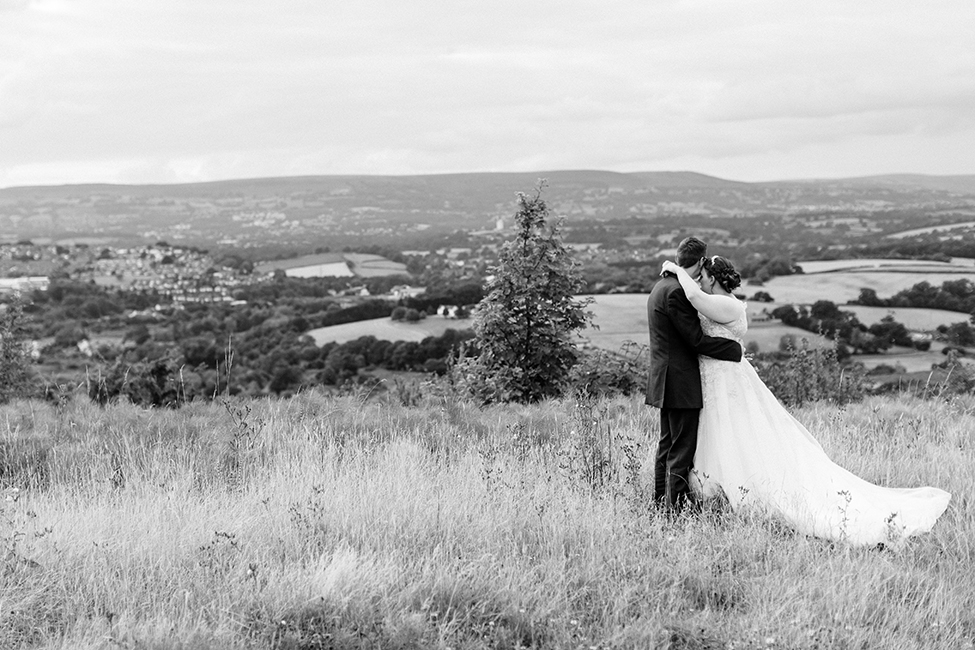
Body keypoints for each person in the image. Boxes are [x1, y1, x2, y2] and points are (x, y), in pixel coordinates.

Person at [660, 256, 951, 546]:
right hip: (716, 378)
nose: (698, 281)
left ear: (712, 278)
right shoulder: (719, 301)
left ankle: (738, 490)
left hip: (726, 379)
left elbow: (695, 297)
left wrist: (675, 269)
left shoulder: (728, 304)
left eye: (702, 276)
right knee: (725, 432)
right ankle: (713, 491)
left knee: (737, 432)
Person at [646, 237, 743, 512]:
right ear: (701, 261)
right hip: (680, 382)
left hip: (665, 380)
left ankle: (660, 505)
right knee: (681, 450)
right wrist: (734, 349)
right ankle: (672, 511)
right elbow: (696, 340)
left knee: (667, 446)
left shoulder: (661, 285)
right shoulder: (677, 291)